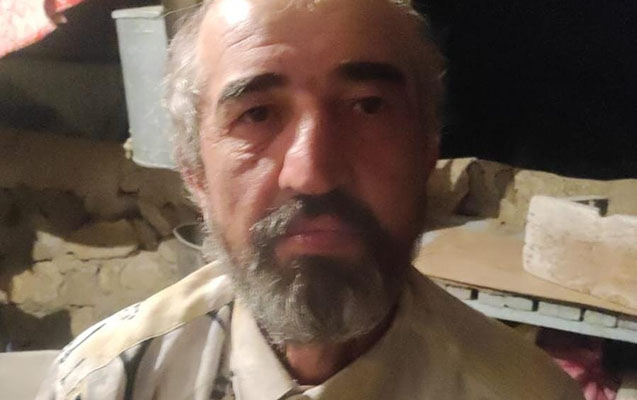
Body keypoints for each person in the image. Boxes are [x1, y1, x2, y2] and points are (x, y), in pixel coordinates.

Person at [37, 0, 583, 399]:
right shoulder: (105, 384)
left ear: (427, 149)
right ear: (195, 172)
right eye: (256, 114)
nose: (313, 174)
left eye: (368, 106)